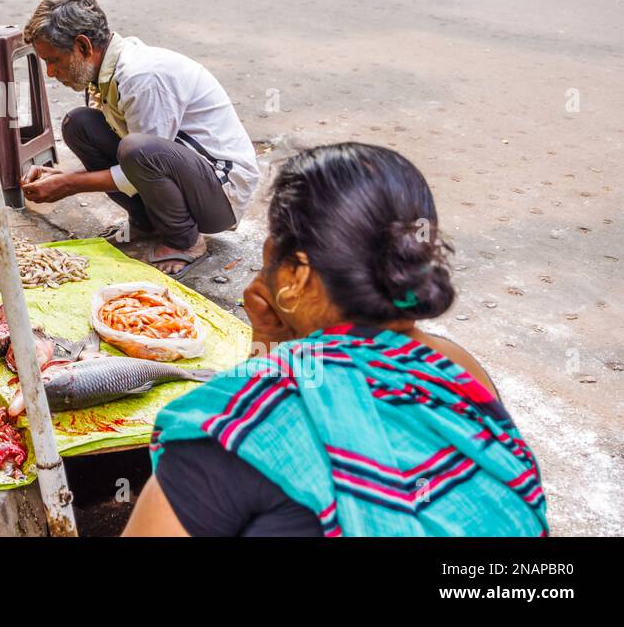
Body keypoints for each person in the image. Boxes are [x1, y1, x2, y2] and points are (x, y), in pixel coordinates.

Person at [123, 143, 548, 537]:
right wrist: (271, 342)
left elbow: (253, 422)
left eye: (271, 253)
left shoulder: (231, 430)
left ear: (297, 273)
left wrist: (271, 353)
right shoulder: (457, 366)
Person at [21, 0, 258, 280]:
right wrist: (61, 178)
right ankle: (146, 222)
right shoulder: (110, 70)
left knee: (137, 150)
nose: (51, 73)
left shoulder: (142, 75)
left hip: (221, 194)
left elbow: (143, 161)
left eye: (53, 60)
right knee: (79, 124)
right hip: (184, 175)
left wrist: (69, 184)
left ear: (82, 46)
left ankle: (184, 240)